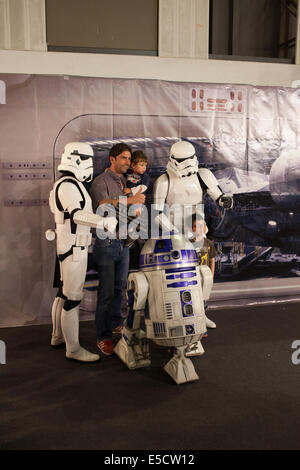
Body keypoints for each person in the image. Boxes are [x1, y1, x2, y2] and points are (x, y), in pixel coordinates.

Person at [49, 142, 117, 362]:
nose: (90, 165)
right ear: (77, 160)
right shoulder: (68, 185)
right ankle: (73, 348)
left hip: (70, 247)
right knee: (72, 299)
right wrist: (103, 222)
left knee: (63, 295)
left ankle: (58, 336)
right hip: (73, 248)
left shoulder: (68, 183)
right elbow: (77, 215)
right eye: (88, 160)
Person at [90, 143, 146, 356]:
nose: (128, 162)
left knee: (119, 287)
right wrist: (129, 200)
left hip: (123, 242)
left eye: (129, 159)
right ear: (112, 159)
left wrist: (135, 212)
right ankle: (102, 336)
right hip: (106, 242)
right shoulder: (100, 181)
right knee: (105, 292)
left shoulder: (123, 181)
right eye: (123, 158)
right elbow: (101, 205)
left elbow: (123, 209)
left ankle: (114, 322)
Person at [190, 213, 217, 333]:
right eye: (196, 226)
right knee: (194, 299)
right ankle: (195, 321)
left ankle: (203, 318)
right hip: (193, 277)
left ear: (205, 228)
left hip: (205, 277)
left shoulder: (209, 243)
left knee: (203, 299)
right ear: (192, 229)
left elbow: (212, 259)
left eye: (202, 226)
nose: (199, 229)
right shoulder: (188, 243)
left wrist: (211, 276)